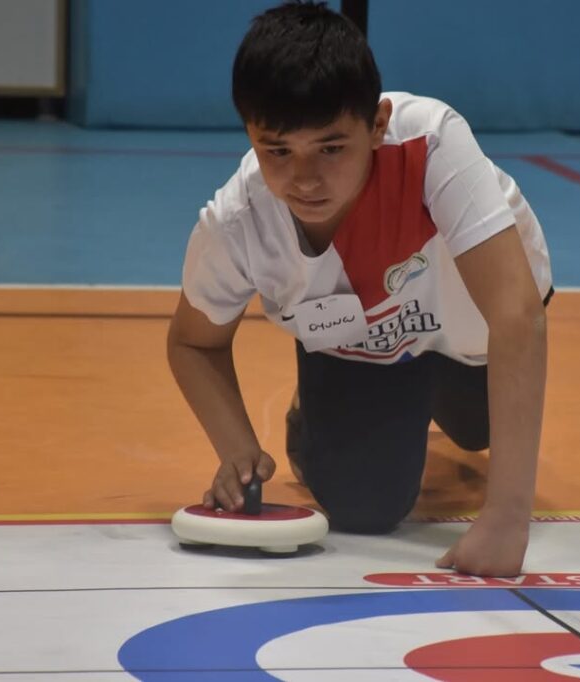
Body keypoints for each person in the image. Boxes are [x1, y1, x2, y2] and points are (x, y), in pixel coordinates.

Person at [167, 0, 552, 577]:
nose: (305, 179)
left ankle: (411, 404)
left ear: (376, 125)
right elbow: (193, 342)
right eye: (278, 150)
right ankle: (319, 411)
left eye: (330, 147)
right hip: (364, 346)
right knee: (364, 508)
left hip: (475, 332)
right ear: (249, 133)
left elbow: (517, 314)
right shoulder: (237, 219)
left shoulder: (430, 142)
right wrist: (237, 447)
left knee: (483, 431)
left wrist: (507, 515)